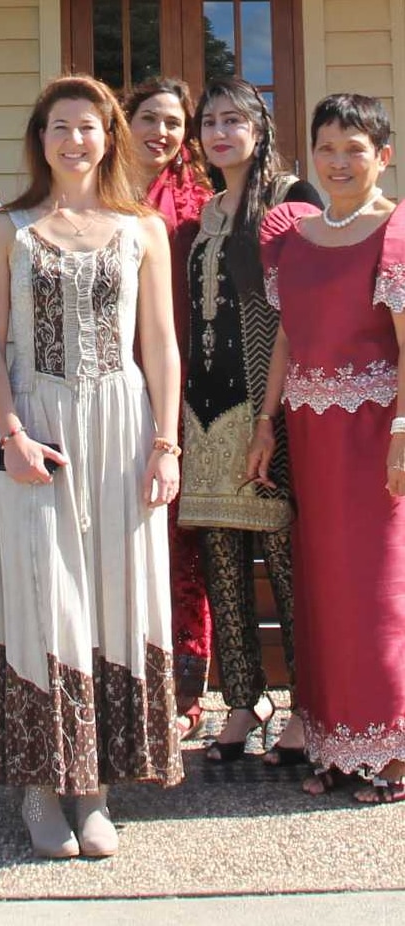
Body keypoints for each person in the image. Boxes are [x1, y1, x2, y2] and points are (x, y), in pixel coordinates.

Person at [0, 75, 183, 860]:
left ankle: (93, 786)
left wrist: (165, 445)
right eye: (59, 125)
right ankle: (39, 781)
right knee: (42, 596)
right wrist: (11, 435)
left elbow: (158, 344)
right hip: (39, 428)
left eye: (88, 126)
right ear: (40, 137)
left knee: (113, 595)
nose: (74, 140)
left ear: (109, 136)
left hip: (123, 428)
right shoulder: (9, 230)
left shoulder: (143, 229)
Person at [247, 93, 405, 803]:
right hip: (310, 436)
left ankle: (394, 750)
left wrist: (403, 433)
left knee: (381, 591)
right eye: (328, 149)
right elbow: (287, 335)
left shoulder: (396, 232)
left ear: (383, 157)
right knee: (326, 591)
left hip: (376, 436)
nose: (340, 162)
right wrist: (265, 422)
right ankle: (342, 745)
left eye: (355, 149)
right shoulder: (296, 237)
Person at [179, 76, 322, 764]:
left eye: (235, 119)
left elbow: (309, 311)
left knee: (290, 566)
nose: (221, 132)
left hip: (270, 408)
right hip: (202, 411)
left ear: (260, 128)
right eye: (210, 121)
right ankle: (241, 701)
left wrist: (274, 415)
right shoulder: (201, 213)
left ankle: (308, 704)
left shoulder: (292, 201)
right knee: (222, 562)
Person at [124, 76, 213, 741]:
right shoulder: (97, 196)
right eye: (150, 118)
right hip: (106, 389)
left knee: (182, 544)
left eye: (175, 123)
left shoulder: (201, 205)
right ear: (124, 121)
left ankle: (182, 694)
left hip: (186, 394)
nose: (162, 132)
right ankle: (122, 679)